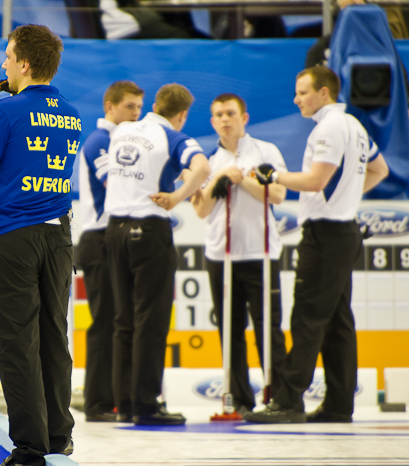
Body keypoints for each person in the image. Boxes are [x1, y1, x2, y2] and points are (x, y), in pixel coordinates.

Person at [0, 24, 80, 466]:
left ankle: (29, 449)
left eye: (8, 57)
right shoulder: (71, 113)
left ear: (25, 64)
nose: (2, 64)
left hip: (12, 234)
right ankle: (58, 435)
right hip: (57, 236)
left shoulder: (5, 111)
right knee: (54, 335)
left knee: (16, 342)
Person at [245, 66, 388, 424]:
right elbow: (379, 170)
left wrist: (273, 175)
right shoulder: (354, 125)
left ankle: (289, 401)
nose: (296, 100)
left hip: (325, 236)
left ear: (324, 93)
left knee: (307, 318)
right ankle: (340, 404)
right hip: (344, 231)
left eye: (302, 92)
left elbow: (314, 180)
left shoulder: (328, 127)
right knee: (338, 321)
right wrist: (346, 197)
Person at [104, 83, 210, 426]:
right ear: (182, 115)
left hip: (115, 229)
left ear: (153, 105)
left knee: (123, 321)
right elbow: (202, 168)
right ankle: (146, 405)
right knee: (150, 321)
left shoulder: (123, 130)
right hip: (149, 230)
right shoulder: (173, 137)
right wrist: (178, 197)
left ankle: (123, 405)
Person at [190, 93, 288, 415]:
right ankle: (240, 400)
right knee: (230, 331)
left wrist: (243, 179)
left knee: (267, 328)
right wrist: (219, 177)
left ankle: (277, 398)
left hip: (261, 253)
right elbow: (201, 210)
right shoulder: (208, 161)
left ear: (244, 118)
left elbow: (277, 194)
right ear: (212, 121)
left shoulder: (265, 151)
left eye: (231, 113)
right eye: (218, 115)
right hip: (221, 255)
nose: (225, 120)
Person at [77, 80, 144, 423]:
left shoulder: (119, 141)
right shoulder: (101, 141)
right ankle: (98, 402)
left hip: (112, 238)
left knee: (119, 319)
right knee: (104, 321)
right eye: (130, 107)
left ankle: (115, 398)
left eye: (139, 107)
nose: (137, 113)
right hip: (100, 238)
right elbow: (115, 184)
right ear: (110, 106)